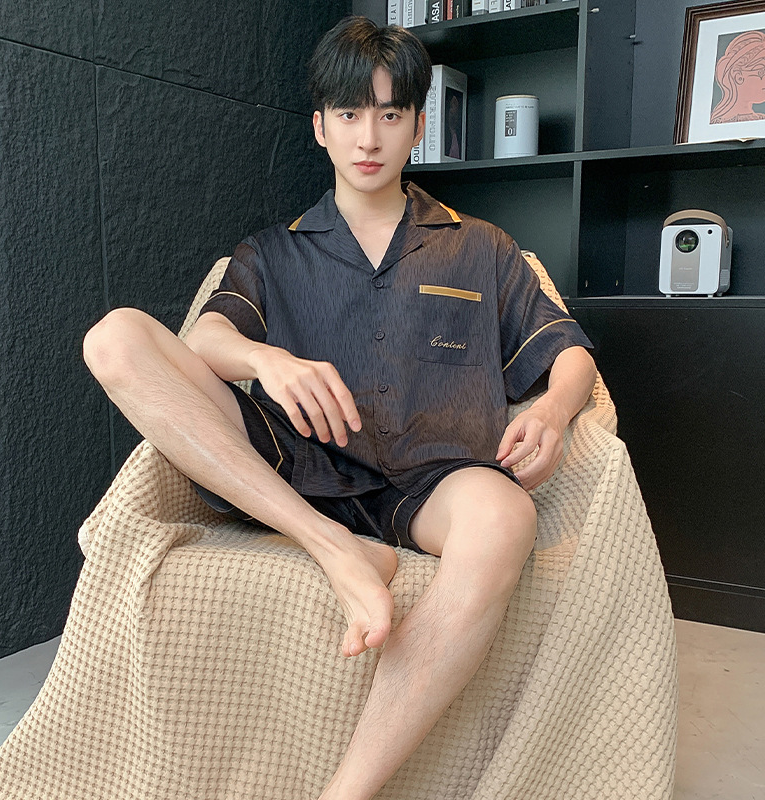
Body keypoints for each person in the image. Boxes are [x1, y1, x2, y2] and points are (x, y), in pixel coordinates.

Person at [82, 16, 597, 800]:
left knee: (504, 519)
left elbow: (569, 352)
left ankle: (346, 792)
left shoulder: (483, 247)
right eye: (350, 114)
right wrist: (266, 359)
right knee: (115, 337)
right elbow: (205, 337)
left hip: (435, 477)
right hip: (298, 469)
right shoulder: (273, 251)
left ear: (417, 127)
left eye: (391, 114)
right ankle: (333, 547)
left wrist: (555, 410)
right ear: (321, 127)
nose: (369, 137)